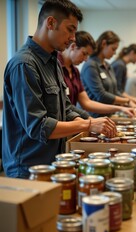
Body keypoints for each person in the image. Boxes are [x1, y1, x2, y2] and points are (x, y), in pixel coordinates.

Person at [2, 0, 117, 179]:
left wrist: (91, 123)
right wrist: (87, 124)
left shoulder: (53, 61)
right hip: (28, 168)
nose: (73, 37)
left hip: (54, 160)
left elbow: (66, 108)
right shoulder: (24, 64)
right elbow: (38, 126)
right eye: (70, 29)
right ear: (50, 23)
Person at [58, 31, 136, 118]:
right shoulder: (56, 67)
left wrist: (120, 108)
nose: (85, 59)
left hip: (76, 122)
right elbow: (65, 106)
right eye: (84, 53)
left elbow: (87, 102)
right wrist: (90, 120)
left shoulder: (75, 71)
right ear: (73, 47)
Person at [81, 31, 136, 118]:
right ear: (103, 44)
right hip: (93, 117)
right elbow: (101, 95)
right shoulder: (90, 65)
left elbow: (115, 91)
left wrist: (127, 102)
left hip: (108, 115)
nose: (114, 53)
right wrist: (126, 101)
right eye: (113, 49)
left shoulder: (108, 66)